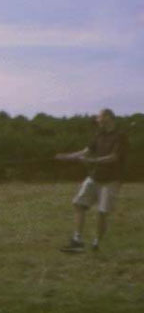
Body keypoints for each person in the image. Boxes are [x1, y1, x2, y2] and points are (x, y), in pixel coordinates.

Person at [55, 108, 129, 252]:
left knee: (102, 212)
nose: (97, 120)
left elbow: (114, 157)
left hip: (111, 180)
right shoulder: (98, 135)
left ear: (108, 117)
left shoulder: (120, 136)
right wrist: (66, 157)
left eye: (99, 117)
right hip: (95, 177)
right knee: (79, 204)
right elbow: (85, 151)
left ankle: (97, 243)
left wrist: (92, 160)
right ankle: (77, 241)